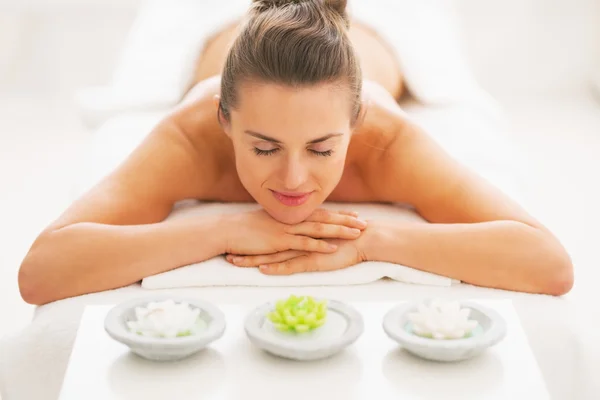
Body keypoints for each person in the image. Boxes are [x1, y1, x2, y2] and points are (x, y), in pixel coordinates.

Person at [18, 0, 573, 305]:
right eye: (262, 148)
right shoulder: (191, 138)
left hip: (376, 30)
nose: (293, 177)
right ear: (225, 121)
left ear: (355, 124)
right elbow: (42, 271)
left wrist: (371, 243)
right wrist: (220, 231)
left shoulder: (386, 142)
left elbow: (548, 263)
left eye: (322, 148)